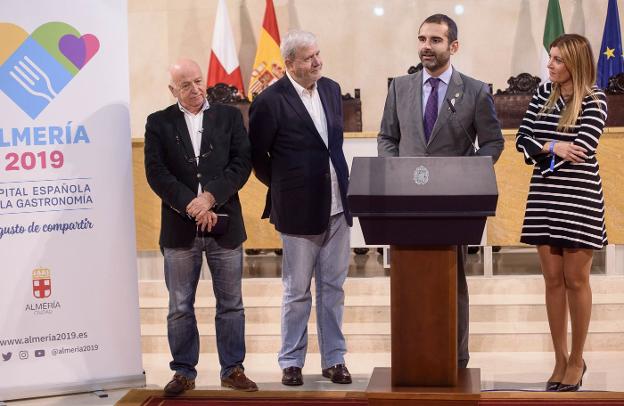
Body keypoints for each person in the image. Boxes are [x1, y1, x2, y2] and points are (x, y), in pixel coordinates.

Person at [377, 14, 504, 369]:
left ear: (453, 46)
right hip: (406, 202)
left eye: (434, 40)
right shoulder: (400, 88)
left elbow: (493, 142)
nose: (425, 47)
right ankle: (411, 353)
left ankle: (455, 355)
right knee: (408, 279)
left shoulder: (475, 91)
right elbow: (387, 137)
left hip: (452, 205)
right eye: (421, 39)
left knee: (452, 279)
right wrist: (395, 169)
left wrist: (470, 173)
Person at [144, 58, 257, 394]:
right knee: (180, 306)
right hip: (180, 229)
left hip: (224, 225)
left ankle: (233, 369)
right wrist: (191, 205)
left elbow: (242, 163)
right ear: (172, 90)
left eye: (198, 82)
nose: (194, 90)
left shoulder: (229, 117)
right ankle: (183, 372)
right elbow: (156, 172)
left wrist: (210, 198)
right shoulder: (158, 123)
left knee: (231, 304)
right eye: (185, 85)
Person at [249, 30, 353, 386]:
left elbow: (332, 146)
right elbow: (257, 158)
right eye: (309, 58)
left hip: (339, 206)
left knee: (333, 288)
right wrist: (283, 187)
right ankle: (291, 361)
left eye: (318, 54)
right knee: (296, 292)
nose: (317, 62)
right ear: (289, 63)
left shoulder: (331, 89)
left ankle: (334, 359)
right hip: (297, 211)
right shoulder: (269, 101)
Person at [515, 34, 607, 392]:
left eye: (556, 60)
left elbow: (582, 150)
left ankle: (577, 359)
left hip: (579, 198)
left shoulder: (594, 100)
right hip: (544, 196)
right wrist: (554, 144)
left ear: (575, 64)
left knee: (576, 280)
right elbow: (523, 140)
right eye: (550, 58)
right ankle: (559, 357)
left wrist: (542, 149)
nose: (549, 64)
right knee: (552, 280)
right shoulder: (543, 94)